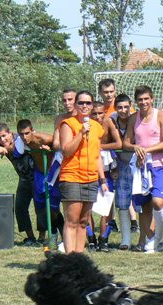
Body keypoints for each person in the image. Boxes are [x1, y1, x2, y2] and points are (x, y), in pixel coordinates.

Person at [123, 85, 163, 253]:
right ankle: (150, 241)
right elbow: (126, 143)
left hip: (158, 165)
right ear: (136, 102)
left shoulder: (161, 115)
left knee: (157, 201)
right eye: (140, 100)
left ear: (152, 99)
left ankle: (158, 237)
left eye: (146, 99)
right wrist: (135, 147)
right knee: (144, 207)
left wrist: (147, 150)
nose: (143, 102)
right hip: (140, 167)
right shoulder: (133, 118)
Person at [58, 90, 107, 253]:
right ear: (76, 105)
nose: (84, 106)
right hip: (72, 177)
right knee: (71, 221)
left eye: (88, 103)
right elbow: (66, 151)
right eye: (81, 103)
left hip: (91, 178)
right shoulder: (68, 124)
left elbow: (97, 155)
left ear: (92, 106)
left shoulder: (98, 128)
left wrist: (103, 179)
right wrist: (80, 133)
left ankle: (78, 259)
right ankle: (70, 260)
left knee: (83, 221)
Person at [0, 122, 38, 246]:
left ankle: (44, 237)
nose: (2, 140)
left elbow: (15, 147)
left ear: (10, 133)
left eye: (4, 136)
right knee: (20, 208)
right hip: (23, 180)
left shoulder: (21, 138)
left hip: (37, 178)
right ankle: (31, 238)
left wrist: (5, 148)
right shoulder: (1, 143)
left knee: (41, 208)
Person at [14, 119, 65, 248]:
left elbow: (59, 146)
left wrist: (50, 149)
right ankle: (52, 235)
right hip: (38, 174)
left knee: (53, 207)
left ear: (32, 131)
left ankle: (61, 236)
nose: (24, 137)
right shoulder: (20, 142)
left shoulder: (44, 138)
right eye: (21, 134)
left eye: (27, 133)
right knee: (42, 207)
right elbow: (12, 149)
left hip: (52, 173)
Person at [90, 101, 122, 251]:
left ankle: (104, 239)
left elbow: (118, 143)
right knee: (87, 207)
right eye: (94, 114)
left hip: (107, 170)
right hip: (88, 169)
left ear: (104, 113)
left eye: (99, 113)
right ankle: (91, 239)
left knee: (106, 208)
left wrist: (100, 147)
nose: (97, 117)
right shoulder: (86, 125)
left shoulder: (108, 122)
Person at [110, 93, 139, 249]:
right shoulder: (112, 121)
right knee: (122, 201)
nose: (123, 110)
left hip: (138, 163)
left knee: (143, 200)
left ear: (130, 106)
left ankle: (148, 238)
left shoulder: (137, 119)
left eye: (126, 107)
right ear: (115, 108)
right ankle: (126, 239)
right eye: (120, 107)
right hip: (121, 164)